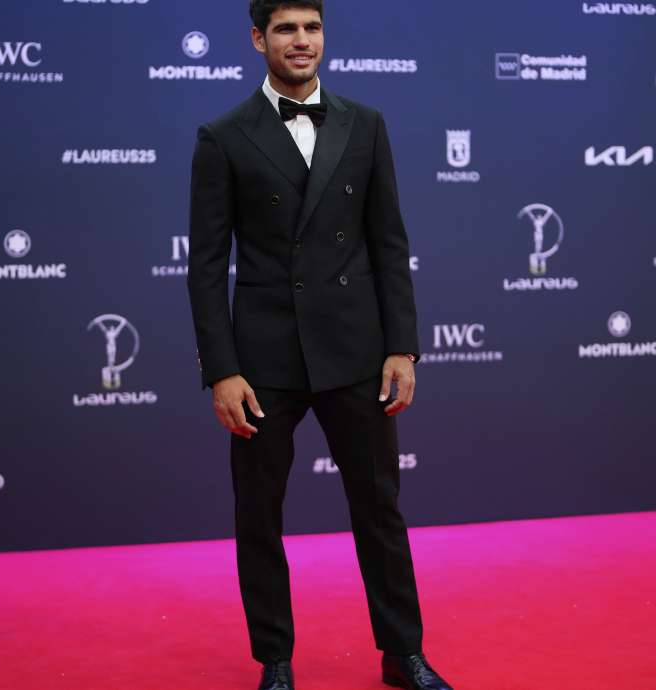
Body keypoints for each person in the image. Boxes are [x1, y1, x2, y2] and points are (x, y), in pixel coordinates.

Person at [186, 2, 454, 689]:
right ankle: (275, 661)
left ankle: (404, 654)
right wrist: (222, 369)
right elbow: (206, 266)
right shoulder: (223, 136)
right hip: (263, 359)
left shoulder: (366, 124)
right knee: (259, 516)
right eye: (285, 29)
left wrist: (402, 347)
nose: (301, 41)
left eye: (311, 28)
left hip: (355, 350)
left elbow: (389, 243)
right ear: (258, 39)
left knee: (379, 507)